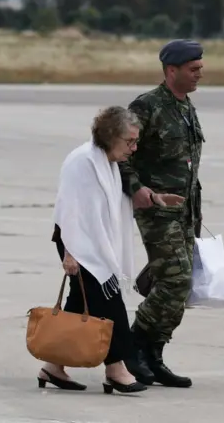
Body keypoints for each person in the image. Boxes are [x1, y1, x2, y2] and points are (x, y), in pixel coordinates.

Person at [37, 106, 183, 395]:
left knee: (81, 306)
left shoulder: (107, 162)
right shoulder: (82, 161)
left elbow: (115, 204)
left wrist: (153, 198)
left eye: (136, 141)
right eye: (130, 141)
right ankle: (116, 369)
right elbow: (69, 209)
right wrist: (70, 253)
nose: (134, 147)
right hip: (78, 244)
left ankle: (53, 366)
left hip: (95, 244)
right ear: (110, 135)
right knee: (109, 303)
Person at [118, 39, 206, 389]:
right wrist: (137, 189)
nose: (200, 73)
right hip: (157, 210)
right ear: (172, 71)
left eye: (200, 67)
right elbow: (118, 150)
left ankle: (153, 355)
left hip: (185, 211)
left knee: (180, 285)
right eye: (193, 69)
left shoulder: (186, 108)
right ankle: (133, 345)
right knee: (175, 281)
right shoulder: (147, 106)